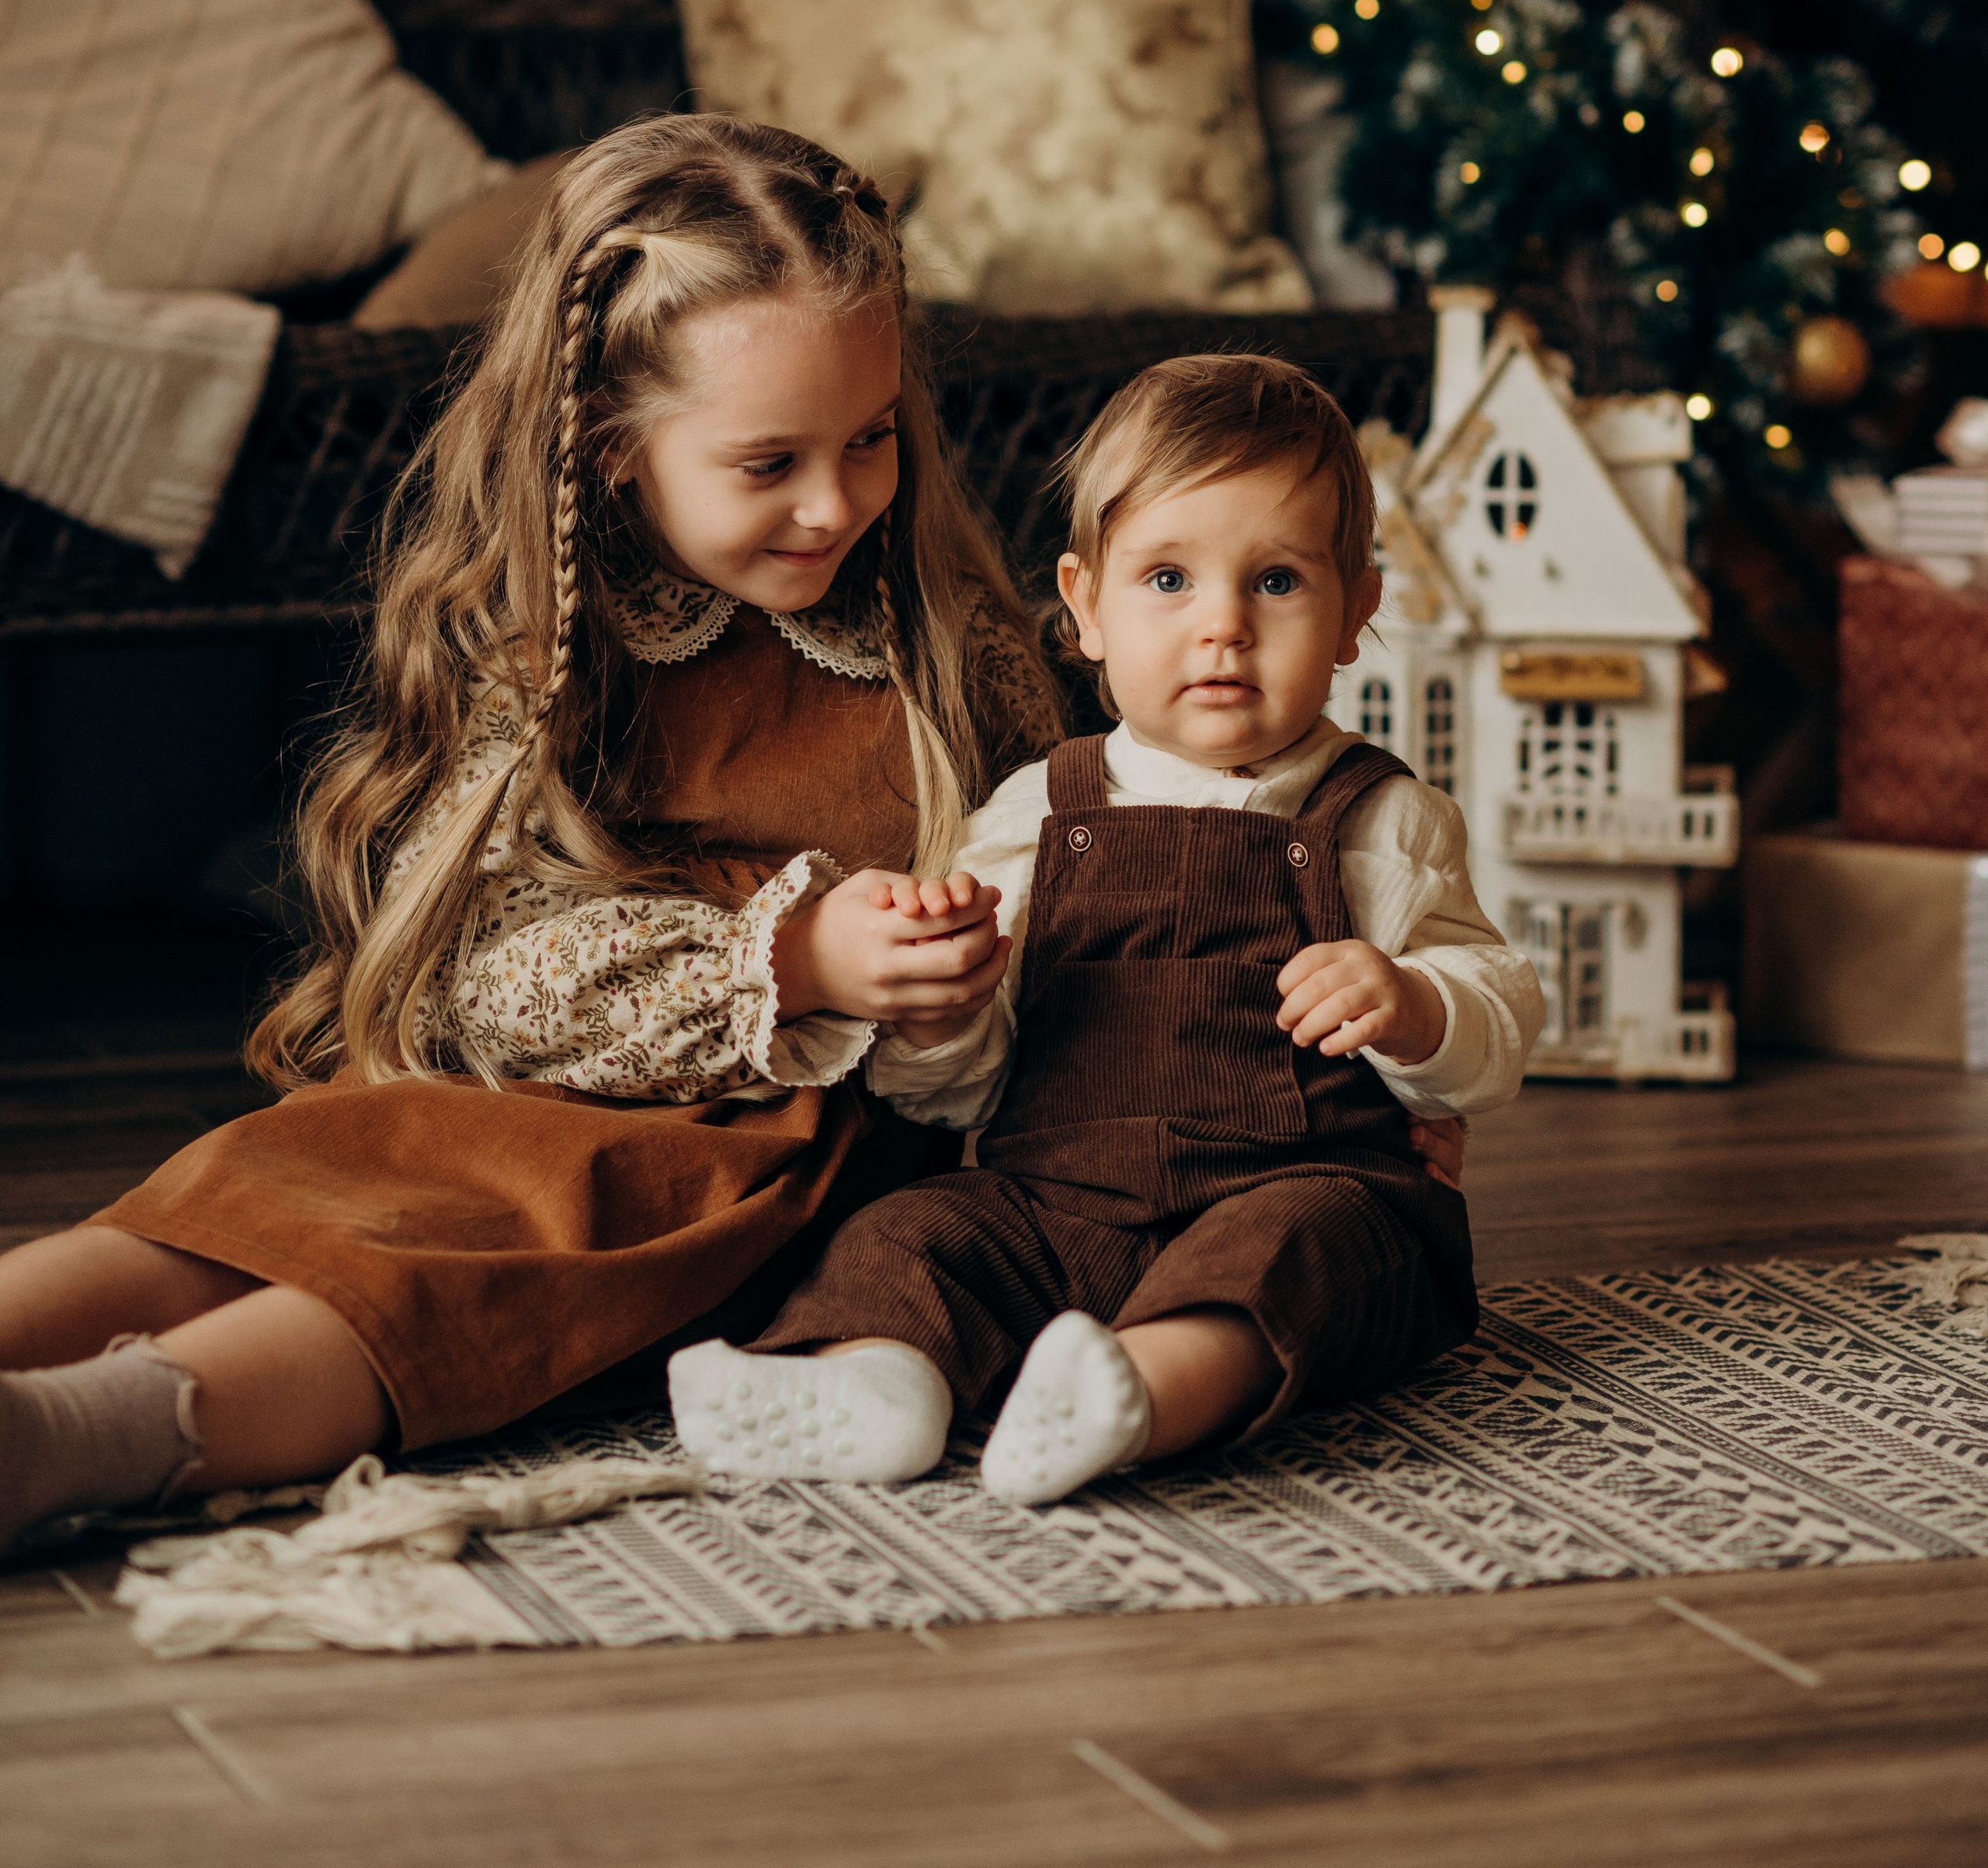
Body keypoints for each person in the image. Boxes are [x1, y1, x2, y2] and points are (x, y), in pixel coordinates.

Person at [0, 116, 1063, 1555]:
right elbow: (467, 974)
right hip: (515, 1078)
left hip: (746, 1157)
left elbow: (1079, 870)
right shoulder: (563, 654)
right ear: (620, 454)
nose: (836, 503)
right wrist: (790, 955)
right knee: (265, 1195)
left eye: (870, 438)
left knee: (432, 1292)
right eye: (768, 463)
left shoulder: (951, 651)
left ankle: (78, 1442)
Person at [670, 352, 1544, 1506]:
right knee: (917, 1232)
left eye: (1276, 583)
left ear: (1355, 611)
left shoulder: (1380, 820)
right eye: (1170, 580)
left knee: (1310, 1255)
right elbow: (955, 1095)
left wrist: (1419, 1004)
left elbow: (1500, 1011)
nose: (1222, 628)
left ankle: (1140, 1389)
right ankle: (876, 1384)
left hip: (1296, 1182)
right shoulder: (1035, 815)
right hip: (1061, 1204)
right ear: (1084, 605)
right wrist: (952, 1002)